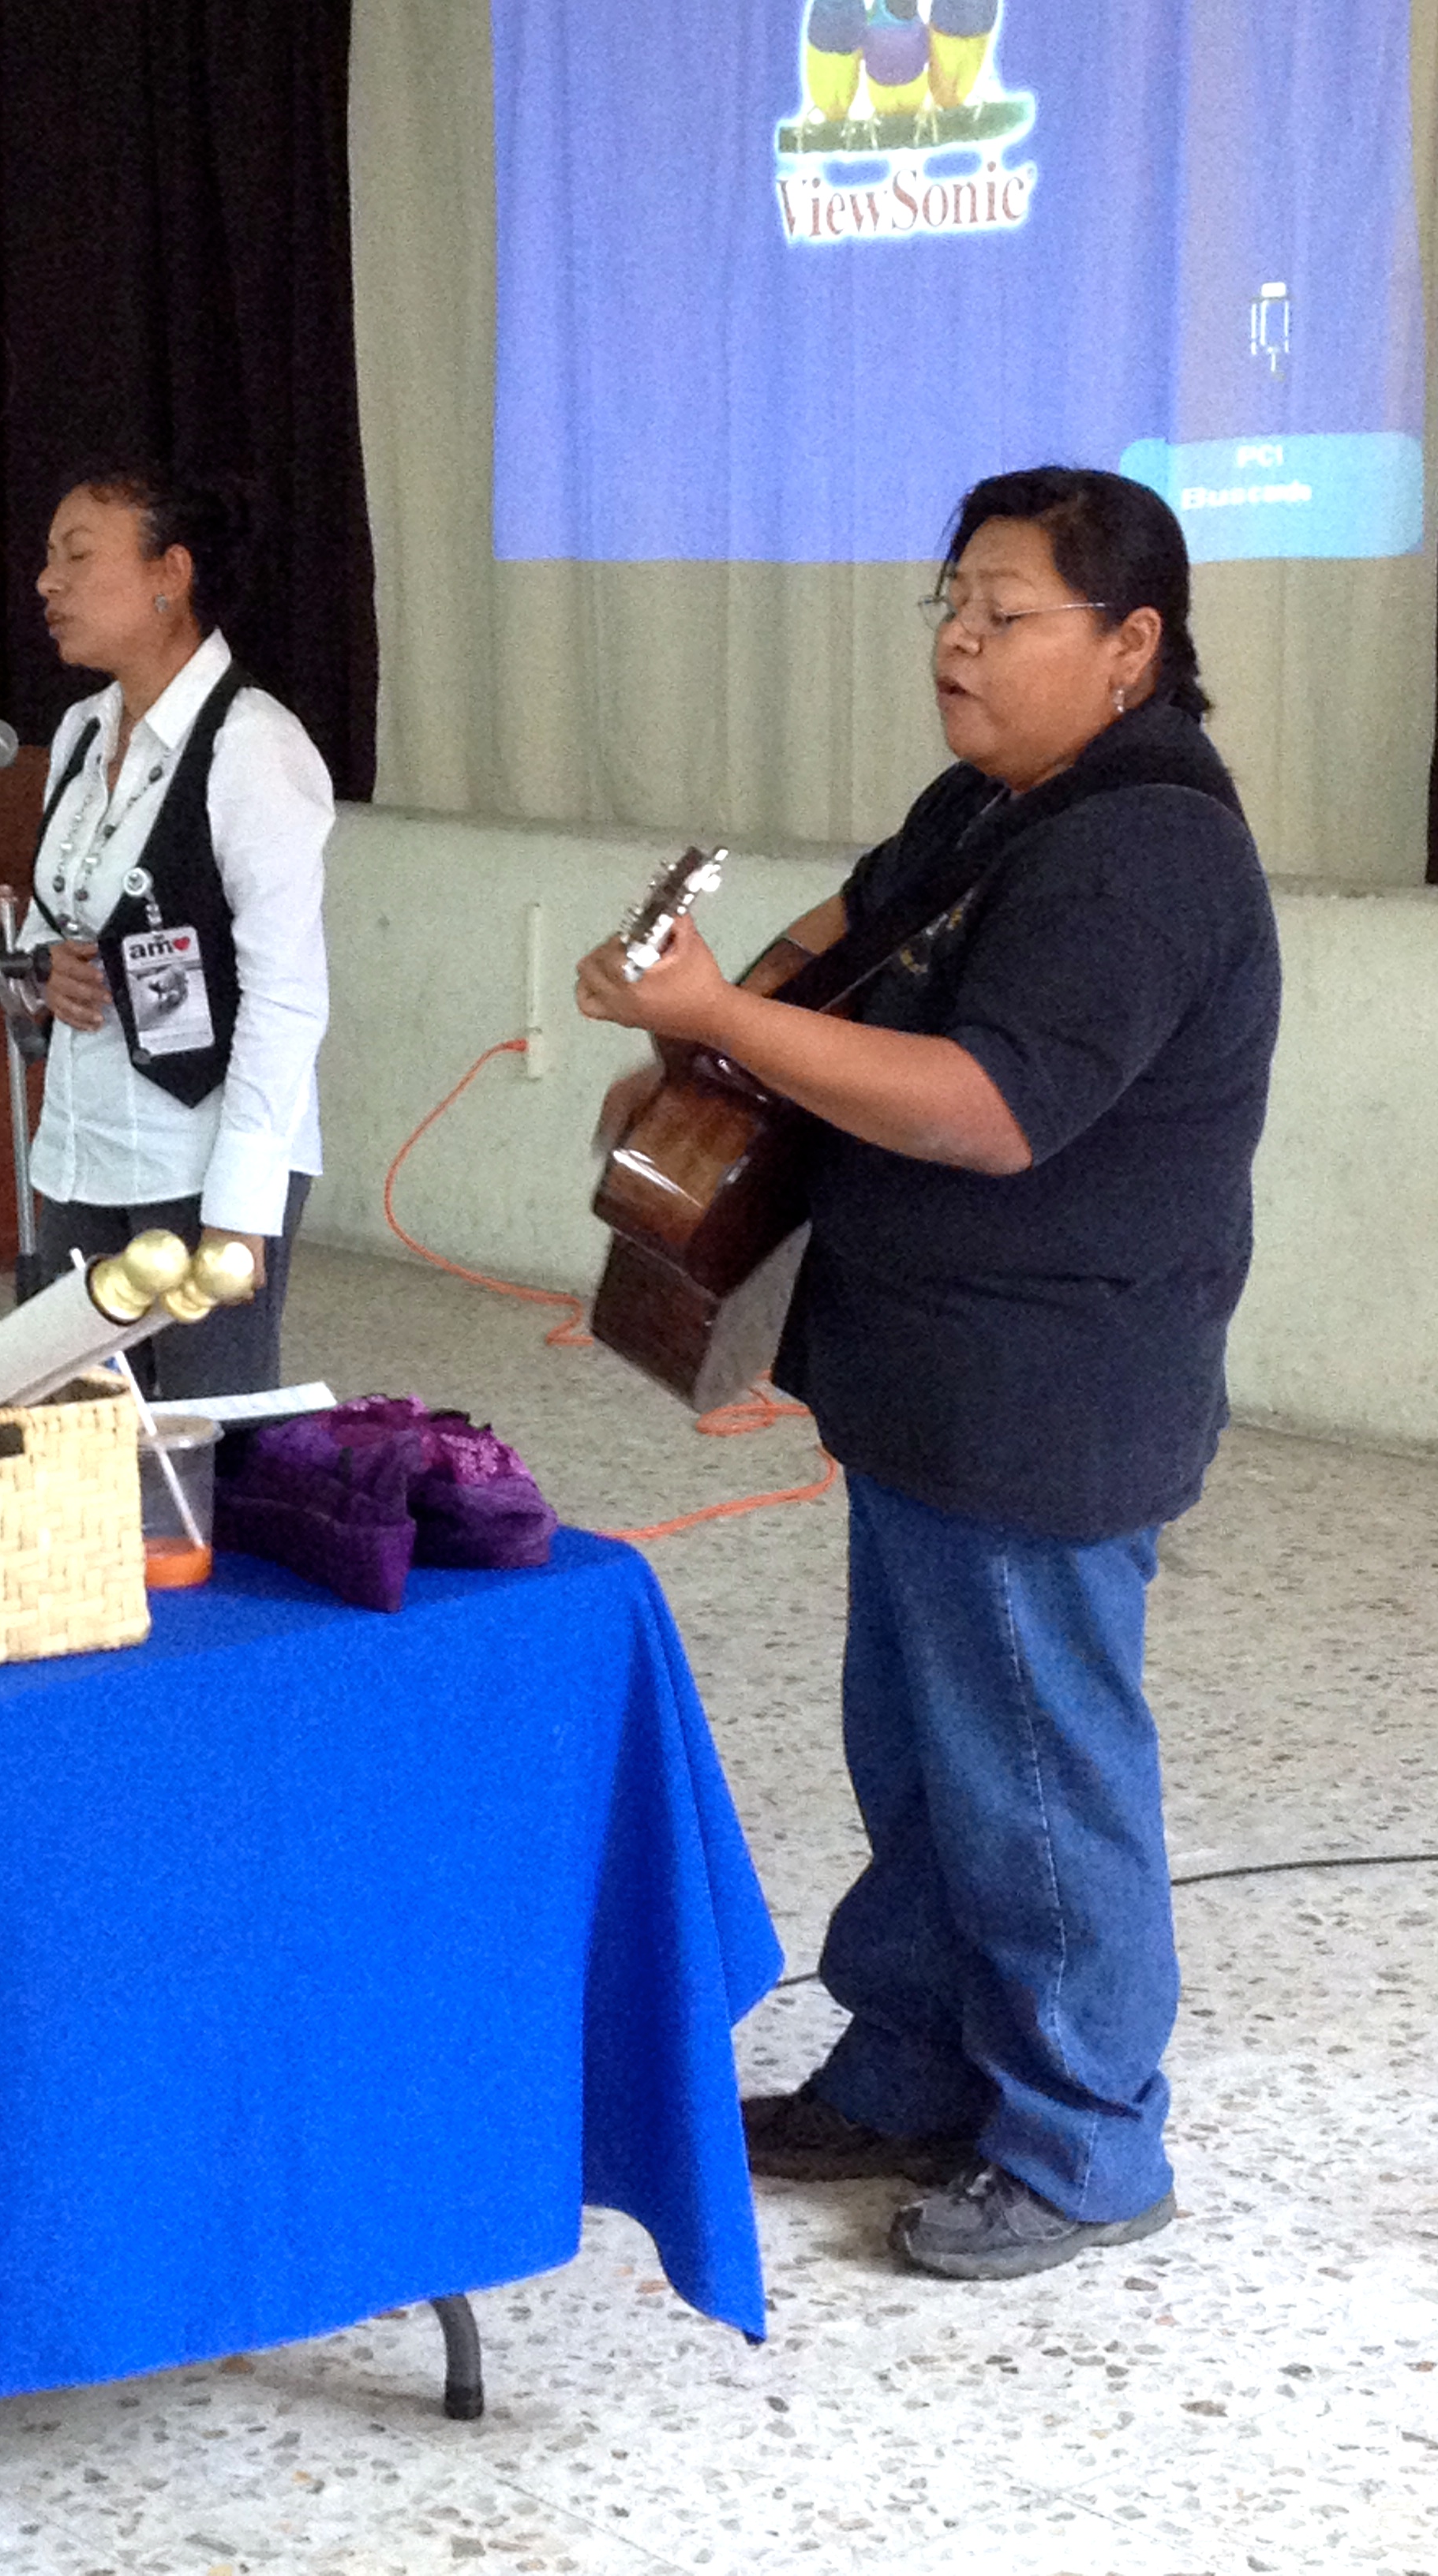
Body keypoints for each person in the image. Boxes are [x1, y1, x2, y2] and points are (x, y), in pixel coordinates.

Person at [575, 466, 1280, 2282]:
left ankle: (1085, 2143)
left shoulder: (1144, 850)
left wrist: (717, 1022)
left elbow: (986, 1109)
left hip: (1045, 1393)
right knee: (921, 1750)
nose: (957, 642)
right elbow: (844, 944)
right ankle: (907, 2069)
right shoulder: (988, 806)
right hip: (925, 1375)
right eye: (948, 604)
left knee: (1034, 1772)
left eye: (1003, 612)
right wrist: (704, 1050)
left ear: (1129, 645)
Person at [21, 462, 331, 1399]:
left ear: (171, 574)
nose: (47, 582)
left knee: (205, 1439)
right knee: (71, 1417)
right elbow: (54, 917)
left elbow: (286, 996)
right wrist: (46, 968)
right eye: (49, 557)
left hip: (201, 1153)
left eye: (79, 557)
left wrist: (241, 1208)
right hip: (82, 1142)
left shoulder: (254, 745)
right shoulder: (81, 732)